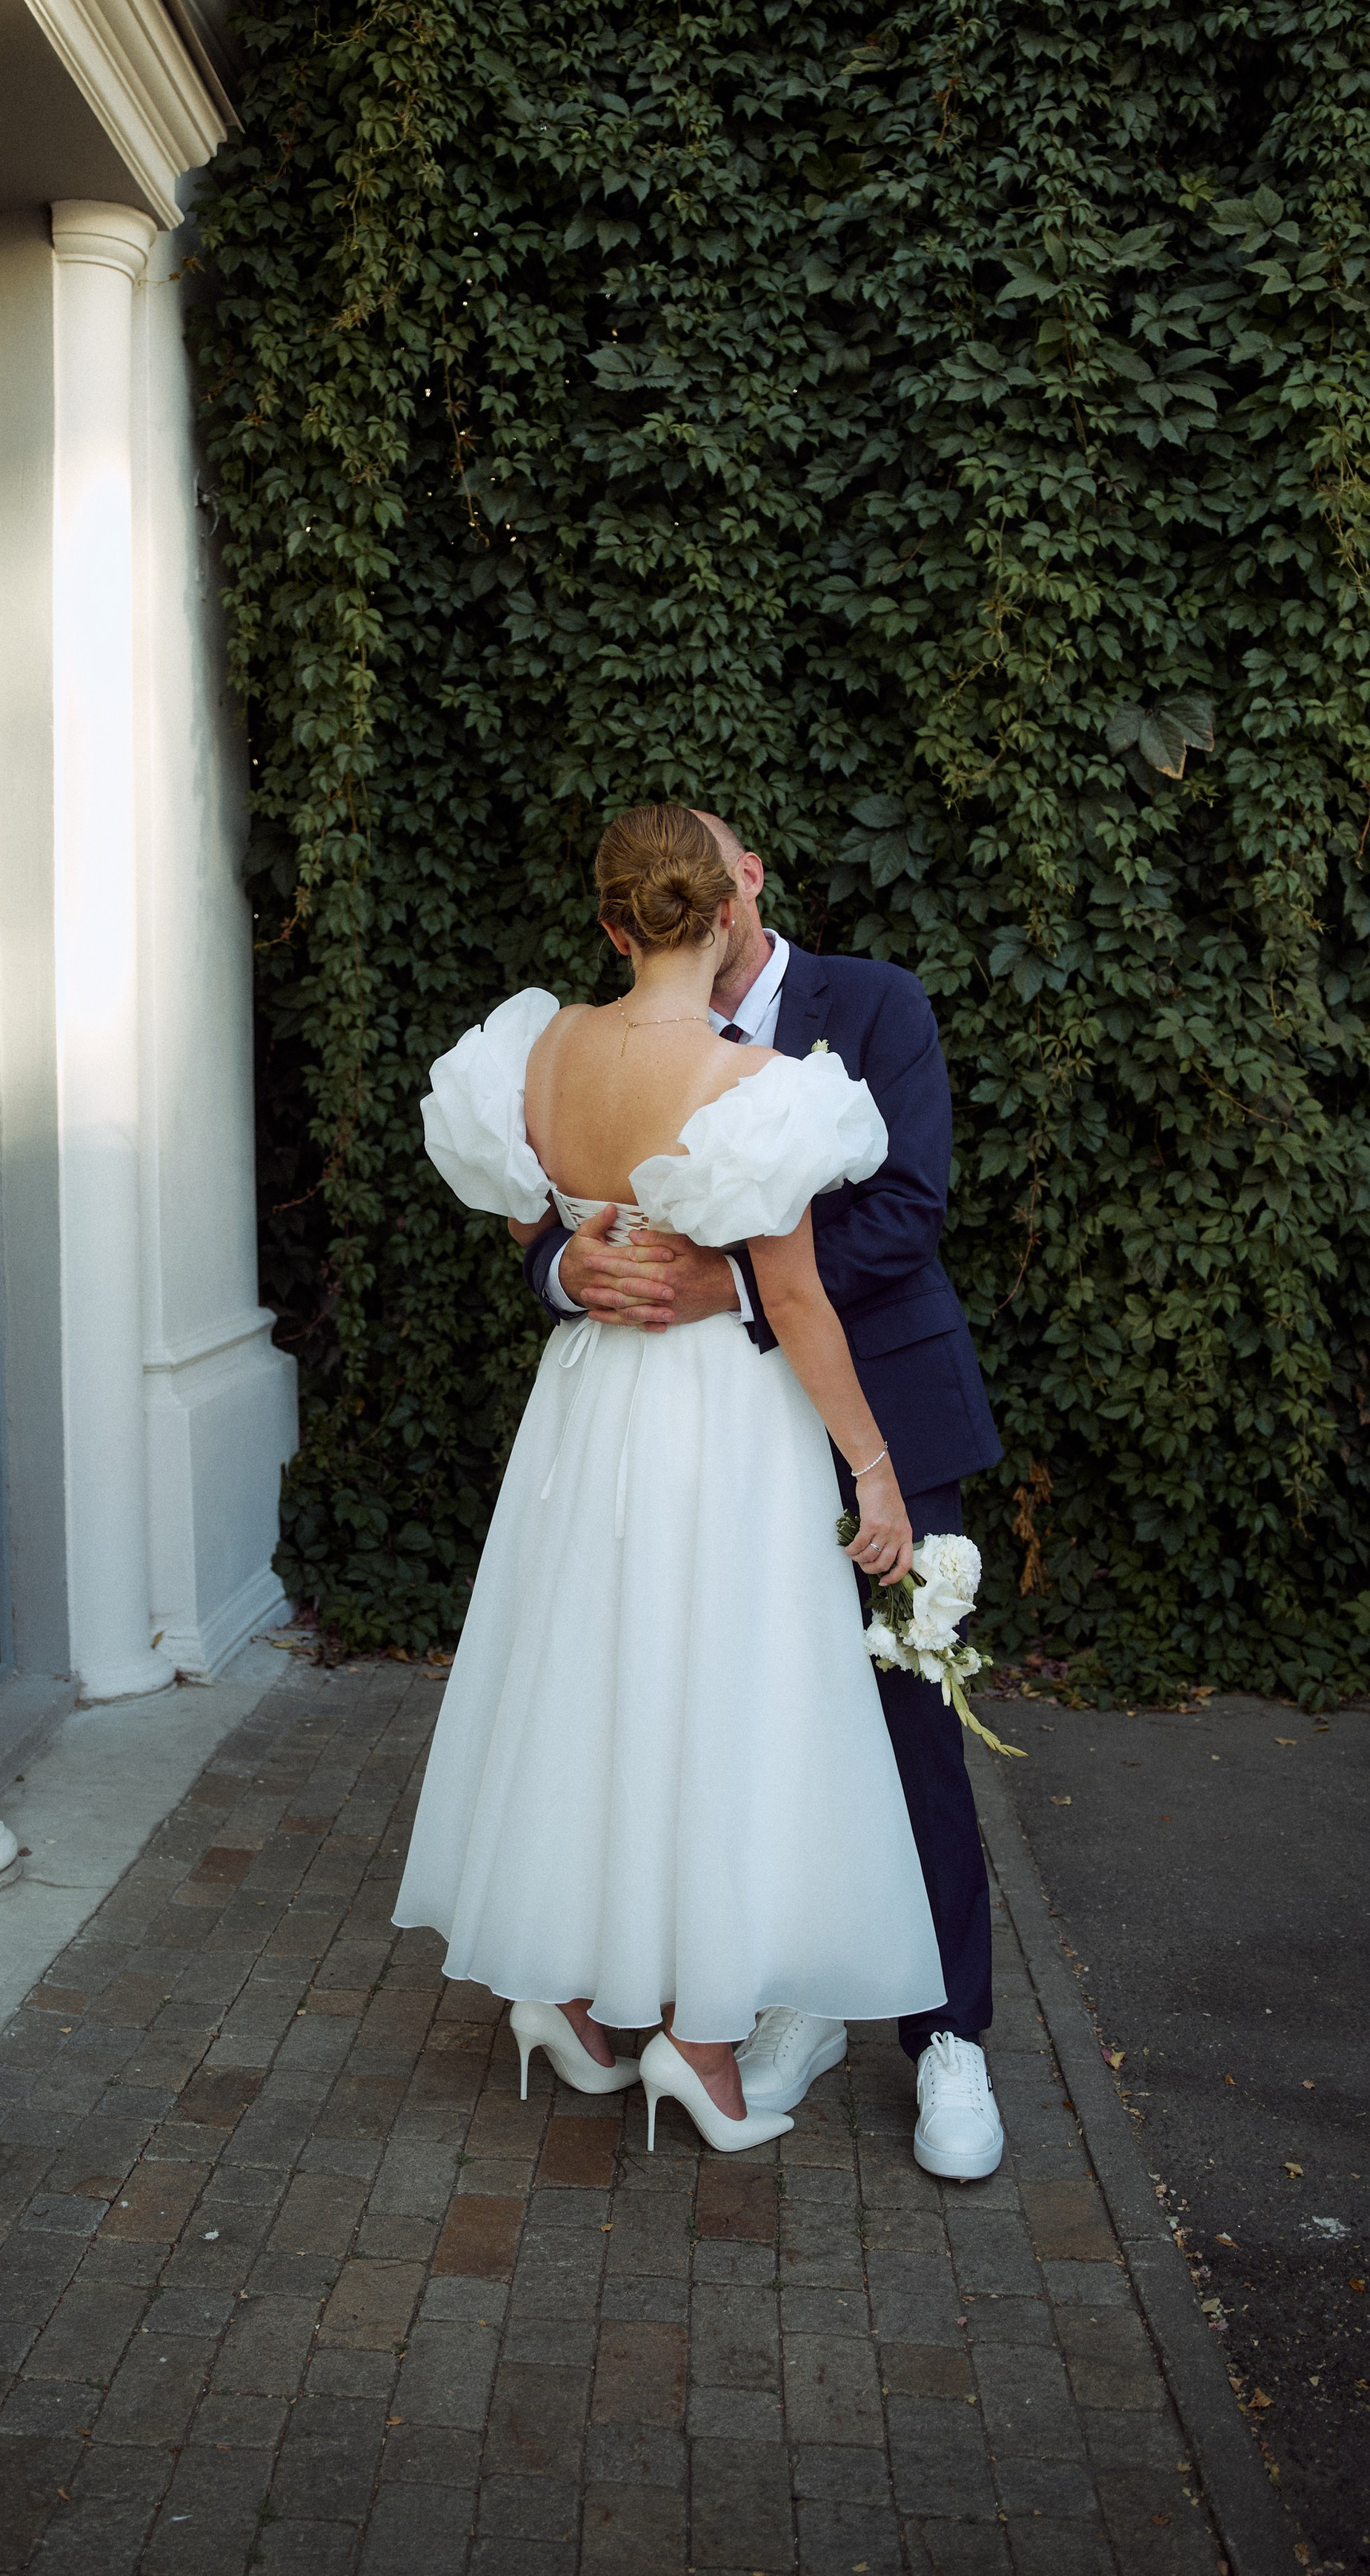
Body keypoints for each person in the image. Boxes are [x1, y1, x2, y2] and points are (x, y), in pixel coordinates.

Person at [393, 803, 947, 2155]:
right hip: (718, 1422)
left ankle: (570, 2008)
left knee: (586, 1674)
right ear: (722, 916)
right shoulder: (757, 1086)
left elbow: (547, 1231)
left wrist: (576, 1262)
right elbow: (801, 1305)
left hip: (587, 1414)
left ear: (609, 920)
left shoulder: (537, 1056)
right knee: (712, 1695)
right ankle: (699, 2049)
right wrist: (874, 1473)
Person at [519, 811, 1006, 2182]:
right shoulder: (605, 1044)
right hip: (697, 1448)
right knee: (722, 1722)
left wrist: (715, 1285)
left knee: (911, 1729)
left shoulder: (874, 1004)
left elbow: (909, 1209)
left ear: (751, 886)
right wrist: (572, 1276)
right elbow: (556, 1226)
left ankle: (948, 2036)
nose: (719, 901)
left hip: (878, 1414)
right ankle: (766, 1997)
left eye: (730, 873)